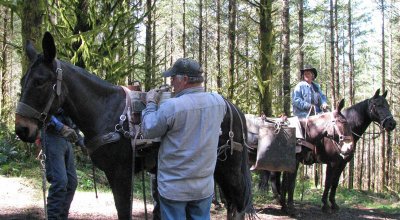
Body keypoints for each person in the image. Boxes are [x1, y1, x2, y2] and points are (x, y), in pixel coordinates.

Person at [141, 58, 226, 220]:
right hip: (203, 187)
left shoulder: (172, 106)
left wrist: (151, 103)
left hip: (174, 188)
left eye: (173, 78)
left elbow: (148, 129)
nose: (171, 82)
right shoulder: (218, 102)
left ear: (185, 79)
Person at [36, 109, 83, 219]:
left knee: (71, 183)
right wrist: (59, 126)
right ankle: (53, 217)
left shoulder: (71, 94)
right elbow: (42, 110)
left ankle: (62, 217)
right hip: (51, 136)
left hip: (67, 139)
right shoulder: (50, 91)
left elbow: (73, 121)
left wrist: (80, 141)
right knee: (60, 181)